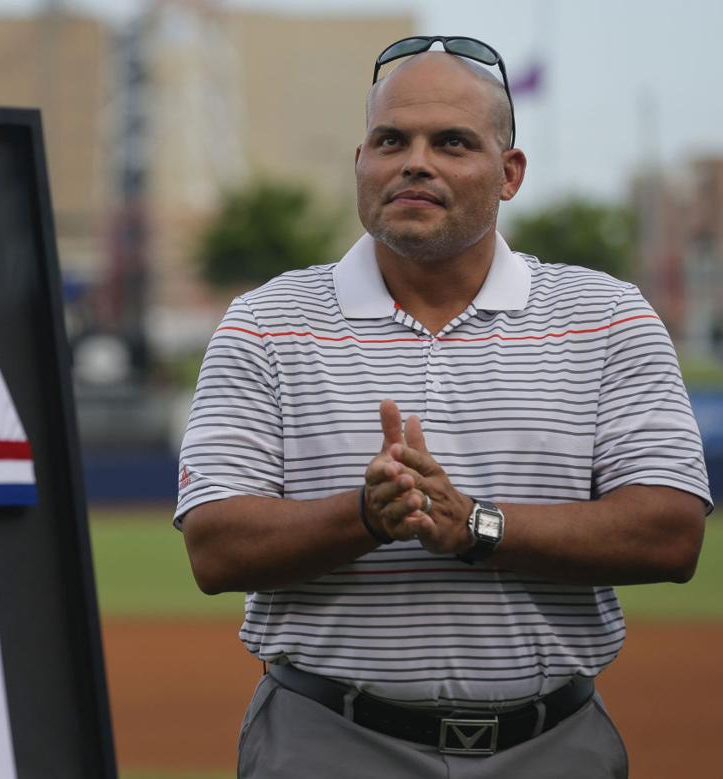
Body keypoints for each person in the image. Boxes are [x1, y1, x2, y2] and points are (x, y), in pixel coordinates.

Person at [175, 35, 709, 779]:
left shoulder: (608, 316)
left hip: (554, 744)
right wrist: (367, 515)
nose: (414, 162)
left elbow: (671, 534)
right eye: (390, 140)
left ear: (509, 172)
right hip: (326, 739)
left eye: (452, 141)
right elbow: (214, 547)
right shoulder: (265, 321)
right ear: (360, 165)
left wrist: (476, 525)